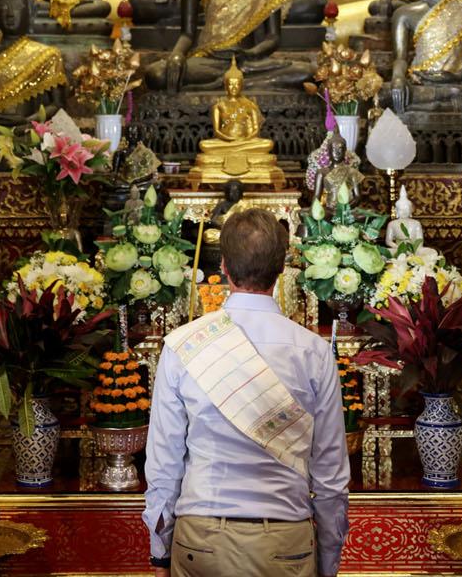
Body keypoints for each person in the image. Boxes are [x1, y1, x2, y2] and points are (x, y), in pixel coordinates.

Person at [144, 207, 349, 577]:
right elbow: (331, 474)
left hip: (201, 539)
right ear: (282, 266)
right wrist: (329, 558)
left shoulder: (183, 345)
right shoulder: (313, 351)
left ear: (223, 266)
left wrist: (160, 552)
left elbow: (164, 465)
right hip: (285, 541)